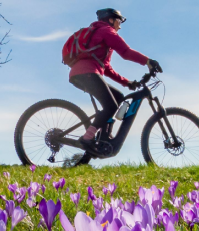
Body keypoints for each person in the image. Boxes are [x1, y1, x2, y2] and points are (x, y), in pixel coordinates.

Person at [68, 8, 162, 142]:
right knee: (111, 106)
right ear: (110, 20)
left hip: (80, 74)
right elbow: (126, 52)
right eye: (118, 21)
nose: (119, 26)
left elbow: (106, 68)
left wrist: (127, 82)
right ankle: (86, 139)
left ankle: (104, 137)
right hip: (88, 73)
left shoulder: (97, 34)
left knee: (118, 97)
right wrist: (148, 61)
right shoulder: (107, 31)